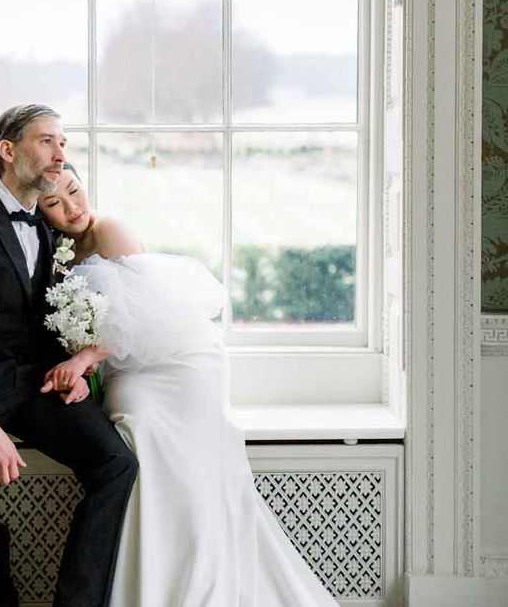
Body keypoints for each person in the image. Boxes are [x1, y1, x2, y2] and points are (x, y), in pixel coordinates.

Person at [38, 165, 342, 607]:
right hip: (128, 368)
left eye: (74, 191)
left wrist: (85, 357)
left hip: (178, 363)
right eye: (54, 204)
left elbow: (146, 317)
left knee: (145, 428)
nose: (72, 207)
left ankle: (197, 584)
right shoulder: (59, 249)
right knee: (132, 433)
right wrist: (80, 368)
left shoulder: (110, 229)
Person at [0, 105, 138, 607]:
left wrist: (76, 370)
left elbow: (48, 316)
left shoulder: (51, 226)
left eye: (63, 143)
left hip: (35, 385)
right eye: (48, 142)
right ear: (8, 151)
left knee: (115, 464)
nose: (61, 155)